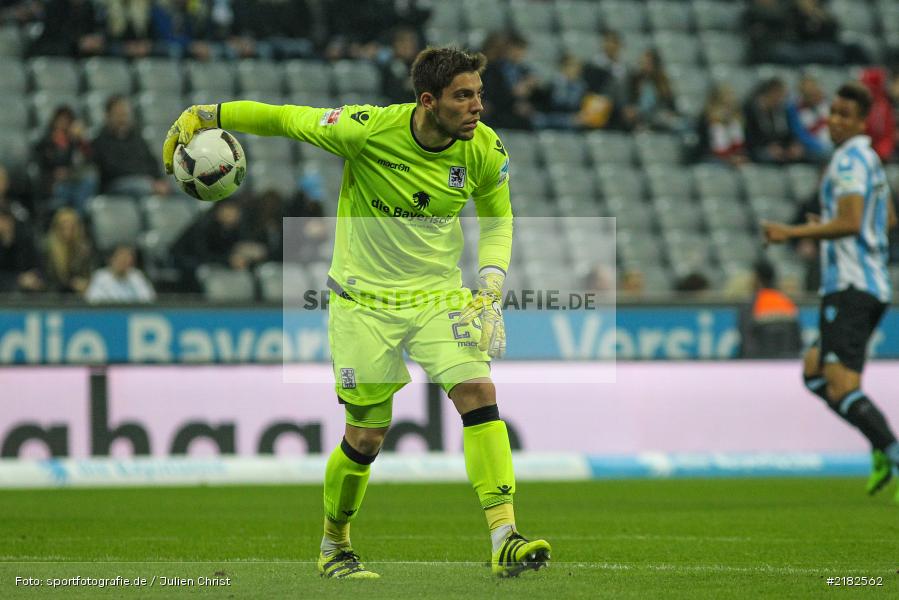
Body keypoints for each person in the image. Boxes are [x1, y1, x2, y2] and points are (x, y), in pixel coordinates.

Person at [162, 46, 550, 579]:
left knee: (479, 394)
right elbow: (284, 120)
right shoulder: (366, 130)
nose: (477, 106)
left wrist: (489, 286)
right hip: (363, 304)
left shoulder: (483, 148)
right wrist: (211, 115)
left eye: (479, 94)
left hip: (437, 298)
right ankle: (335, 544)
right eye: (464, 96)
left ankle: (505, 536)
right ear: (429, 101)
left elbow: (499, 221)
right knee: (366, 435)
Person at [763, 82, 899, 501]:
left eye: (845, 115)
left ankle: (889, 450)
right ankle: (881, 445)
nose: (835, 121)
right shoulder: (871, 160)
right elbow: (887, 218)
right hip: (866, 283)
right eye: (833, 112)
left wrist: (794, 231)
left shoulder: (848, 161)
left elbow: (852, 222)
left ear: (862, 123)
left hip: (851, 286)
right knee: (814, 370)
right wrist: (836, 226)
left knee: (839, 385)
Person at [91, 95, 169, 197]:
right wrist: (149, 181)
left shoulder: (137, 138)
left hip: (145, 181)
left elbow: (152, 162)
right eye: (118, 115)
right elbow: (112, 169)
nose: (122, 119)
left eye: (125, 115)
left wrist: (159, 180)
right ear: (108, 116)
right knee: (143, 186)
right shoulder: (101, 141)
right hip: (116, 184)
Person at [738, 260, 801, 358]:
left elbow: (747, 339)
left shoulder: (751, 304)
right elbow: (797, 340)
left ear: (757, 279)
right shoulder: (786, 301)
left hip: (761, 362)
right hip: (788, 362)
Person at [43, 207, 94, 294]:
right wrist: (72, 284)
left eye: (72, 226)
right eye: (64, 226)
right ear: (56, 228)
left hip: (79, 298)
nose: (68, 230)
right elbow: (47, 280)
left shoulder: (84, 249)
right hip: (53, 297)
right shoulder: (46, 249)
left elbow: (90, 276)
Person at [85, 244, 156, 303]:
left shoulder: (137, 276)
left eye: (127, 258)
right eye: (120, 258)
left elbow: (149, 299)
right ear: (111, 259)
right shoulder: (100, 276)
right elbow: (93, 300)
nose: (124, 261)